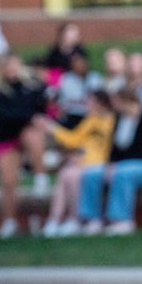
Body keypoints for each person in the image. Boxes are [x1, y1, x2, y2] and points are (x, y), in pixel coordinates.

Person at [77, 88, 142, 236]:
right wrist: (111, 164)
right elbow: (114, 150)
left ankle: (122, 220)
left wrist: (118, 165)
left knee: (123, 173)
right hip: (123, 165)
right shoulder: (119, 119)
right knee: (92, 174)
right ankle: (92, 219)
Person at [36, 90, 115, 238]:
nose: (87, 105)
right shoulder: (91, 120)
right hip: (85, 161)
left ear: (100, 103)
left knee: (71, 175)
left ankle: (76, 218)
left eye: (90, 102)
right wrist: (52, 129)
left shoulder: (111, 121)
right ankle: (54, 220)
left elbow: (107, 149)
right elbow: (74, 140)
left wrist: (52, 128)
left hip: (99, 164)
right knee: (65, 174)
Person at [0, 54, 49, 238]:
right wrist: (26, 116)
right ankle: (9, 221)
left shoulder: (31, 85)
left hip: (26, 132)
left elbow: (39, 108)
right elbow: (4, 115)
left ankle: (40, 176)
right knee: (8, 182)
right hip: (6, 135)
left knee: (33, 133)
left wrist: (26, 116)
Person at [54, 51, 103, 128]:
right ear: (72, 65)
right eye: (77, 63)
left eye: (82, 63)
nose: (80, 66)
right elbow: (63, 103)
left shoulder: (96, 78)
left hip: (93, 117)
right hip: (72, 116)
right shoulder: (67, 79)